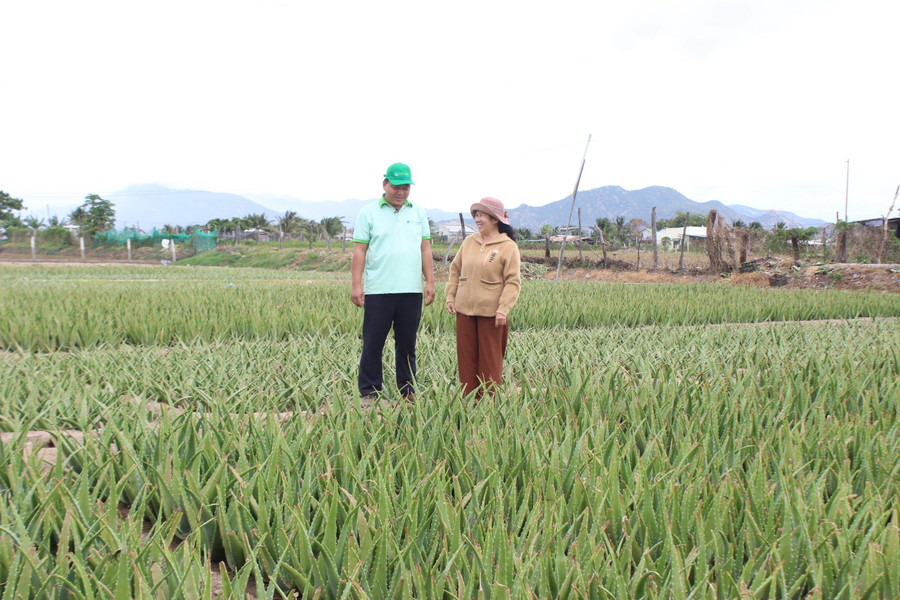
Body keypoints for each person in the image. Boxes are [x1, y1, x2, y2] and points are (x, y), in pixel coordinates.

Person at [351, 162, 435, 400]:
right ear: (384, 184)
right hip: (379, 289)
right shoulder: (368, 213)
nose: (401, 192)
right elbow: (359, 251)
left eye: (406, 187)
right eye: (396, 186)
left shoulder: (418, 212)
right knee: (373, 342)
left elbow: (425, 249)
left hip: (411, 290)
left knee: (407, 344)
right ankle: (369, 391)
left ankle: (407, 390)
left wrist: (430, 282)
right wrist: (357, 285)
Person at [445, 197, 521, 399]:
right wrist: (451, 296)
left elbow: (513, 281)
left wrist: (503, 308)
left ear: (495, 219)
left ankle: (488, 405)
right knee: (466, 359)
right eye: (476, 215)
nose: (477, 219)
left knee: (490, 361)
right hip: (464, 311)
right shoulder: (470, 242)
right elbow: (455, 269)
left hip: (491, 314)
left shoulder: (508, 246)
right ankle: (468, 402)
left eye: (481, 215)